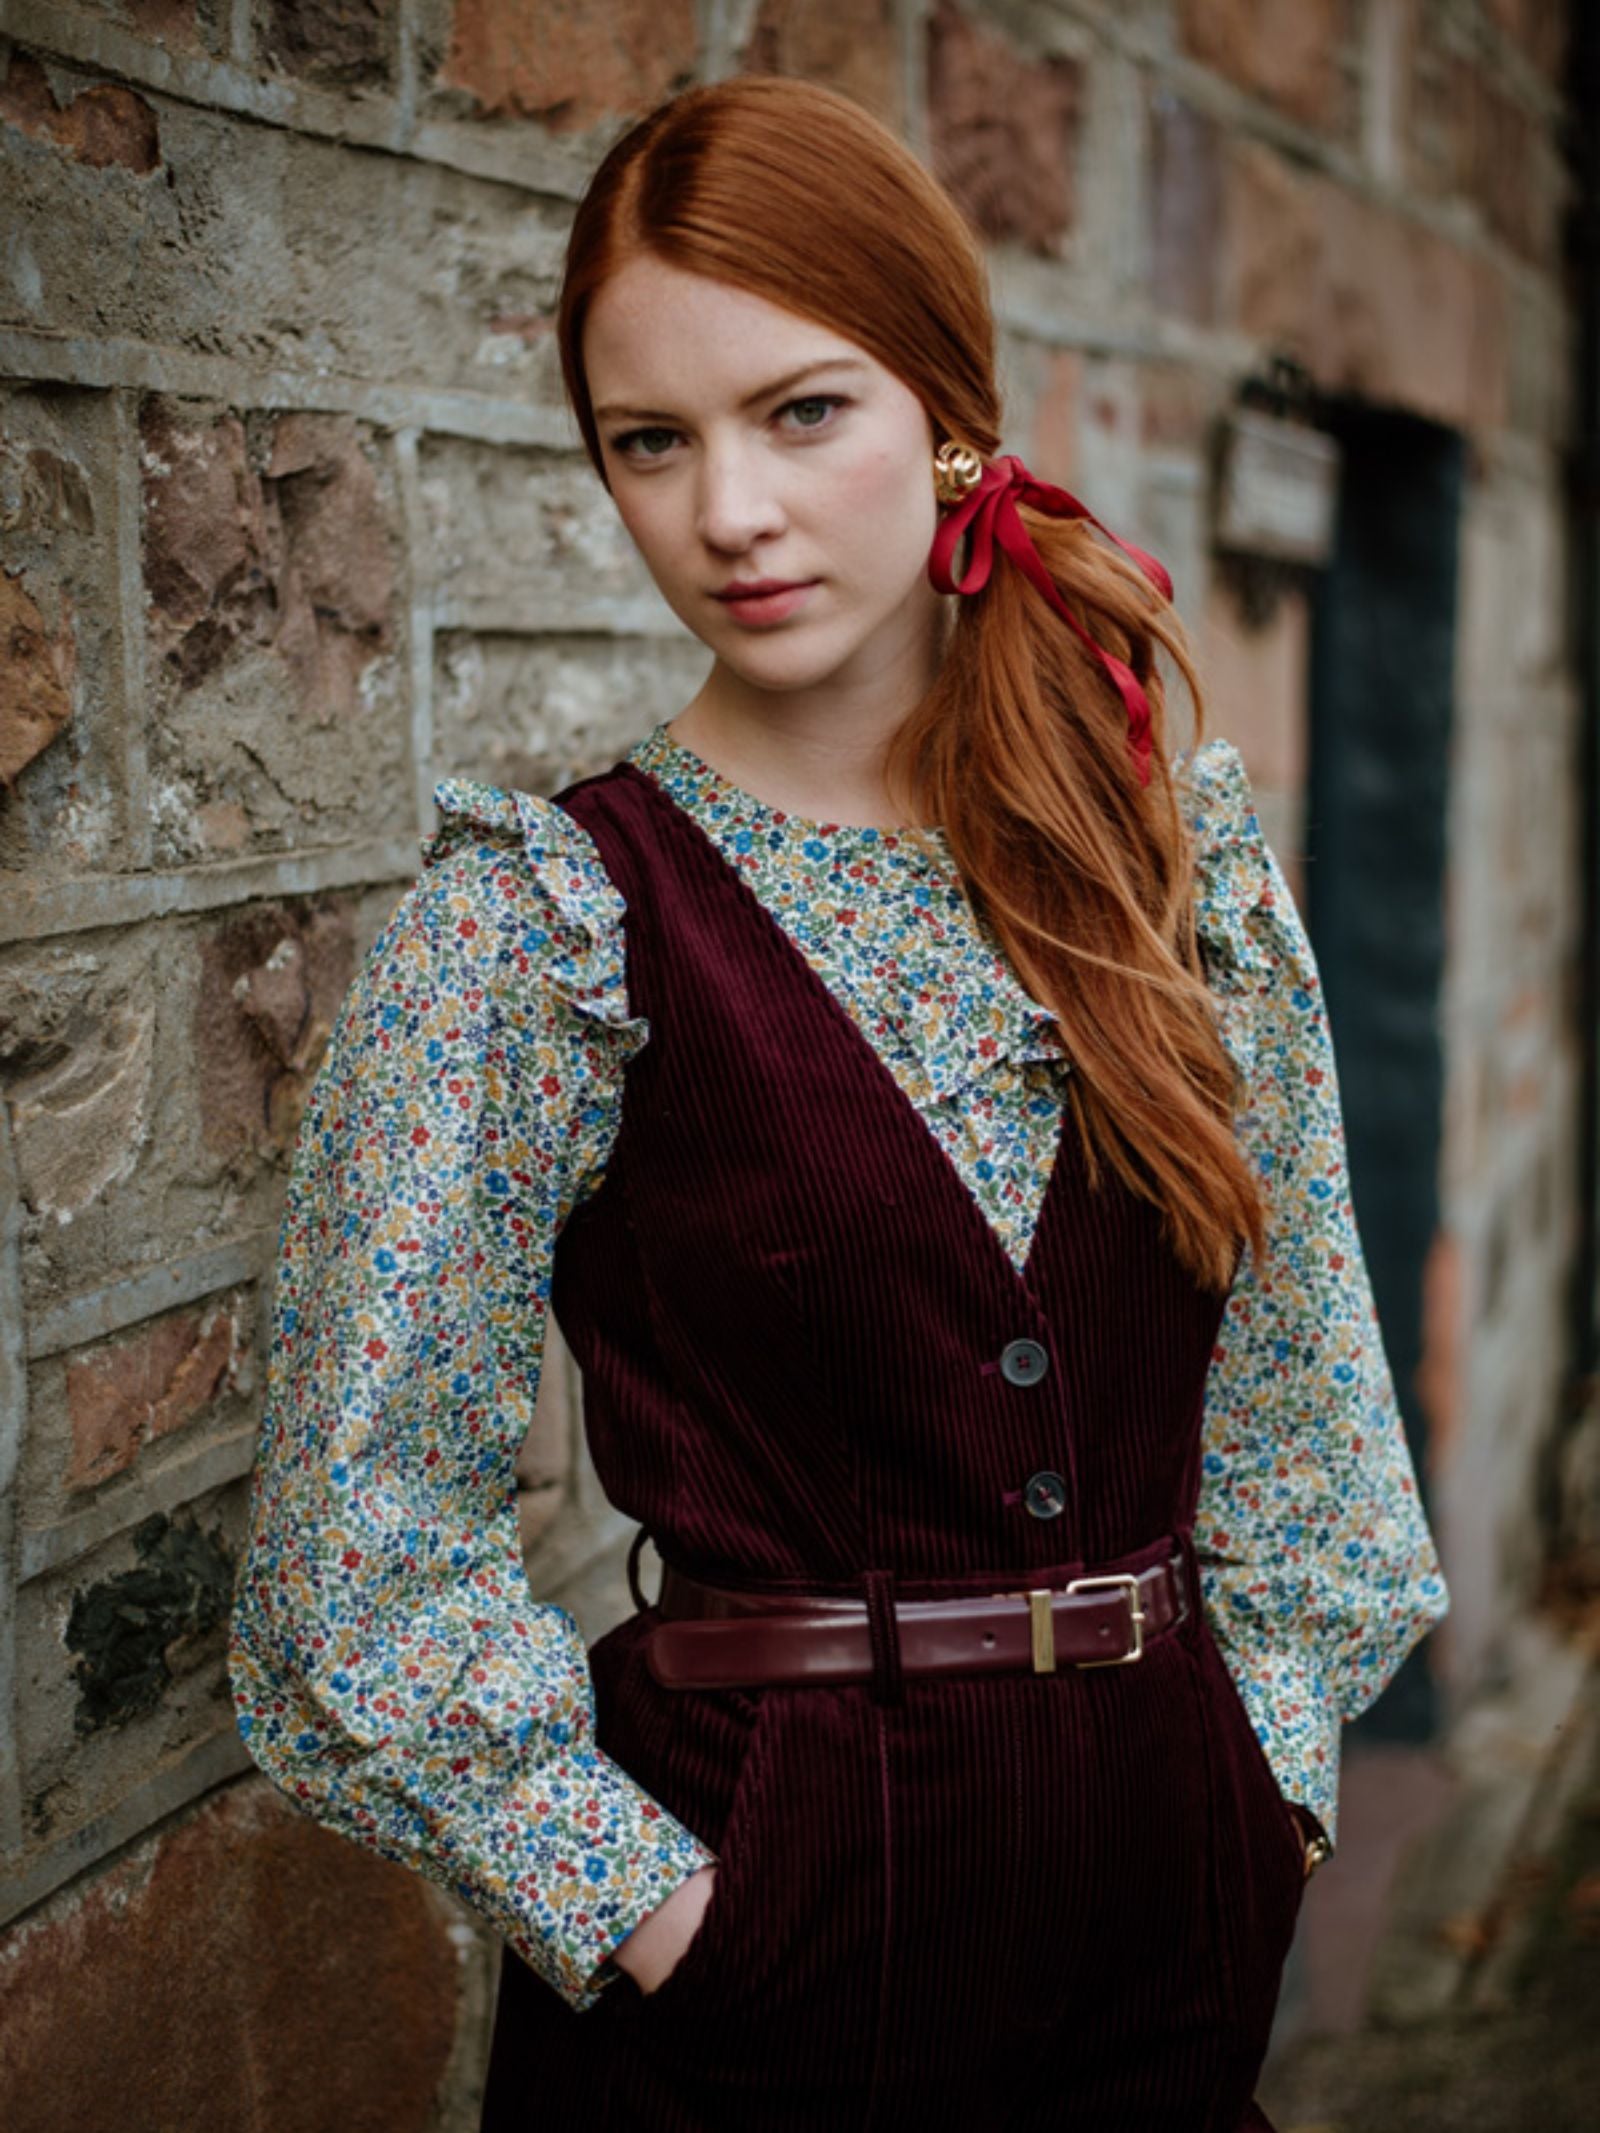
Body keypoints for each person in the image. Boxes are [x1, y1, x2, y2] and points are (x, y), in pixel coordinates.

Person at [227, 74, 1449, 2133]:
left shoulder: (1170, 864)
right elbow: (351, 1562)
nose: (726, 510)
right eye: (650, 438)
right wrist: (667, 1918)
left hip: (1170, 1929)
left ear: (946, 412)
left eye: (801, 410)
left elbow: (1306, 1403)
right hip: (759, 1970)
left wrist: (1268, 1797)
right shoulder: (536, 932)